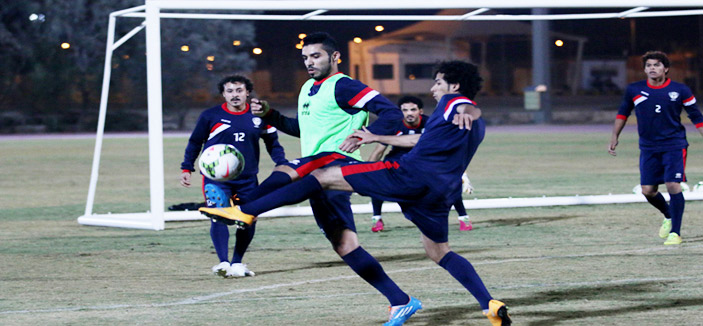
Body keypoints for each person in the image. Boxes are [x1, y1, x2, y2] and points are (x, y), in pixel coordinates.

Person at [201, 60, 511, 326]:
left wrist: (471, 108)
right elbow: (421, 141)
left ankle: (246, 210)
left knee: (322, 175)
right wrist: (375, 136)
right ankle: (488, 304)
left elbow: (468, 106)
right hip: (439, 195)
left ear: (454, 85)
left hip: (409, 176)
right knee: (438, 251)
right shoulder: (463, 124)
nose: (433, 90)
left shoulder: (454, 104)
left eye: (438, 83)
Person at [230, 32, 412, 325]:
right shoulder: (308, 88)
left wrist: (369, 135)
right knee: (345, 245)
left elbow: (390, 112)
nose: (309, 63)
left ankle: (245, 208)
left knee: (290, 168)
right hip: (317, 170)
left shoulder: (344, 85)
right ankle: (400, 300)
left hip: (337, 164)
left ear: (335, 57)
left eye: (316, 56)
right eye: (305, 58)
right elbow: (303, 129)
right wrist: (270, 114)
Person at [180, 75, 287, 278]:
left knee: (248, 218)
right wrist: (187, 168)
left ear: (247, 92)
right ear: (223, 94)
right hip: (216, 179)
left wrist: (281, 162)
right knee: (218, 216)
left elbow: (272, 142)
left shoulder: (260, 115)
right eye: (230, 91)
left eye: (239, 91)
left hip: (248, 179)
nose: (235, 95)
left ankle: (237, 262)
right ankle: (223, 262)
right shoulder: (210, 116)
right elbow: (195, 142)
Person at [608, 51, 703, 246]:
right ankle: (669, 215)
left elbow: (696, 116)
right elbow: (623, 113)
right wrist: (614, 136)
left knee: (672, 185)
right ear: (644, 69)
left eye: (657, 65)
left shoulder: (680, 90)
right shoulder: (634, 89)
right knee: (648, 190)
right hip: (648, 147)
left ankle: (675, 233)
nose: (652, 68)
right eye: (649, 65)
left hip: (674, 144)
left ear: (666, 69)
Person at [366, 95, 474, 232]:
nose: (409, 113)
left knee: (449, 182)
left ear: (420, 111)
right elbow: (378, 151)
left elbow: (448, 149)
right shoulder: (394, 125)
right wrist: (366, 173)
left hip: (424, 161)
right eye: (405, 110)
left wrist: (460, 171)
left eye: (413, 109)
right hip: (398, 160)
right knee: (378, 180)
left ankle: (463, 218)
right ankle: (377, 219)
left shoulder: (431, 124)